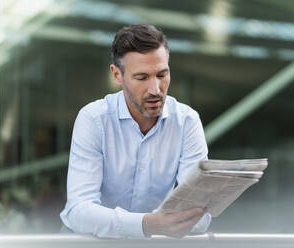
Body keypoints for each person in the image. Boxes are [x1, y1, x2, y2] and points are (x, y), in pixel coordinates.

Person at [60, 24, 211, 238]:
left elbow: (200, 215)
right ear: (117, 75)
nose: (155, 90)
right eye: (142, 78)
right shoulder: (94, 119)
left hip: (153, 241)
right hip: (89, 242)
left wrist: (166, 223)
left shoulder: (186, 121)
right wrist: (149, 224)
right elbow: (79, 211)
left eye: (162, 74)